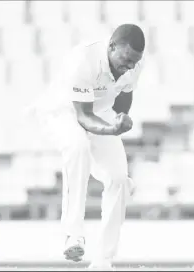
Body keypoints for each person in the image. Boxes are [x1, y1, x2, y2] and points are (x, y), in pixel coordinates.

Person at [31, 24, 145, 270]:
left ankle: (104, 260)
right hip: (63, 111)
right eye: (125, 59)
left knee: (118, 179)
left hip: (99, 112)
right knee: (78, 147)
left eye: (133, 62)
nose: (128, 66)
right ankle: (73, 235)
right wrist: (112, 129)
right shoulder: (84, 59)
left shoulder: (134, 64)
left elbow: (124, 97)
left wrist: (119, 119)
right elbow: (83, 117)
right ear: (111, 46)